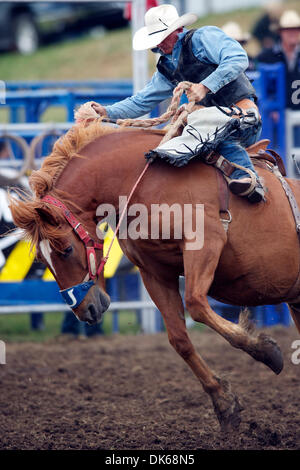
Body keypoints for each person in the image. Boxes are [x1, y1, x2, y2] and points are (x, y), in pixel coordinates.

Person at [91, 4, 264, 203]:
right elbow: (141, 101)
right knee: (170, 148)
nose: (160, 44)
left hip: (242, 117)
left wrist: (205, 86)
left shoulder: (203, 38)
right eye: (156, 40)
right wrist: (105, 112)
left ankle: (249, 179)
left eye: (163, 37)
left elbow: (237, 58)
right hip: (204, 125)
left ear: (177, 30)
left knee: (210, 134)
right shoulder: (167, 68)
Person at [256, 10, 300, 111]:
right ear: (280, 32)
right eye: (288, 29)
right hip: (277, 115)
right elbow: (261, 88)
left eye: (296, 29)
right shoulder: (266, 57)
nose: (292, 33)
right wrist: (271, 109)